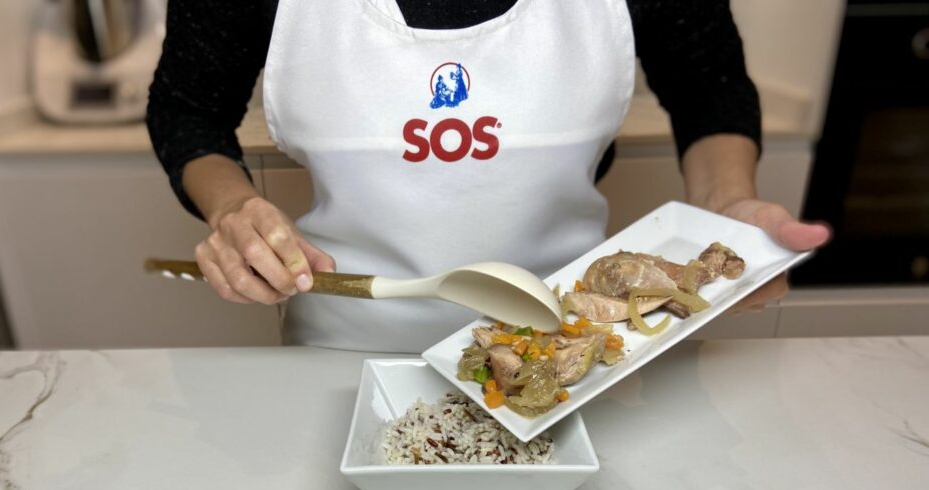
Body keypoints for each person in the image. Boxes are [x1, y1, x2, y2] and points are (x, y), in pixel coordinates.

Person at [147, 0, 831, 352]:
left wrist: (727, 204)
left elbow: (709, 89)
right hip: (343, 346)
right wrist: (233, 209)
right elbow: (186, 109)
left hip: (575, 348)